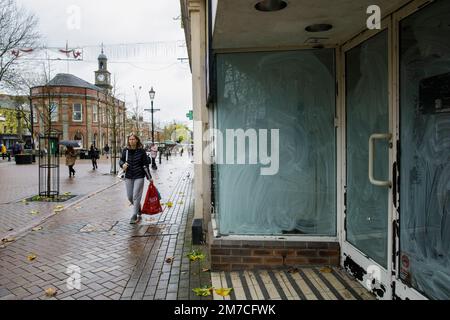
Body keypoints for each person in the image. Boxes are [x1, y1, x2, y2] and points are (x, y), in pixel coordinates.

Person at [119, 133, 152, 224]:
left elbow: (145, 165)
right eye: (130, 139)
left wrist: (149, 177)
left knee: (136, 195)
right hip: (128, 176)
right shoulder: (125, 150)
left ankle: (134, 216)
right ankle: (138, 207)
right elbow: (121, 160)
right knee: (130, 197)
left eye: (133, 139)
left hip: (139, 176)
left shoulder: (141, 151)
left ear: (137, 140)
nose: (131, 141)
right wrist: (123, 164)